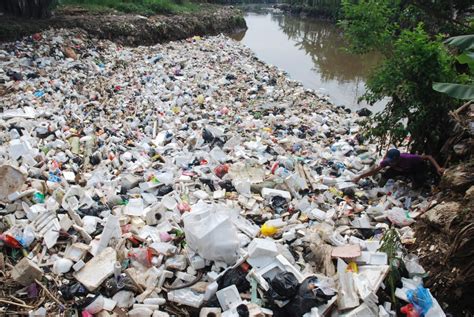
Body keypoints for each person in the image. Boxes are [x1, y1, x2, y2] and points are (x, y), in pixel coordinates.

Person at [352, 148, 445, 188]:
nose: (390, 163)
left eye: (392, 161)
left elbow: (428, 156)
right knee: (386, 174)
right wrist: (360, 176)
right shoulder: (388, 162)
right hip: (401, 169)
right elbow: (375, 170)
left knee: (419, 179)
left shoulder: (409, 158)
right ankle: (380, 187)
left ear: (398, 158)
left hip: (414, 167)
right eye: (389, 161)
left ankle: (418, 184)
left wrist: (438, 168)